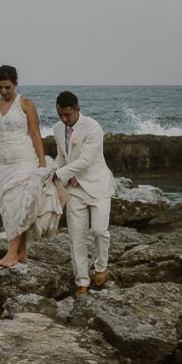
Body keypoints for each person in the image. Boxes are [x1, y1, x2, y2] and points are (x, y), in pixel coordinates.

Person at [0, 65, 62, 267]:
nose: (3, 91)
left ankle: (11, 253)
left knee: (21, 205)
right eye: (0, 87)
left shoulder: (26, 104)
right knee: (8, 207)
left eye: (7, 87)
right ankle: (22, 253)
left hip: (24, 160)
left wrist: (43, 165)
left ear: (16, 84)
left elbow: (36, 134)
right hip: (1, 164)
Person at [52, 90, 116, 297]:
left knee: (98, 230)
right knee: (76, 237)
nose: (64, 119)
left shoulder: (93, 127)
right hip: (74, 189)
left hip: (98, 186)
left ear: (77, 109)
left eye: (67, 115)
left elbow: (85, 161)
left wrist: (57, 175)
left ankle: (100, 267)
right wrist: (50, 172)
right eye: (60, 114)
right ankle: (81, 282)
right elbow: (63, 156)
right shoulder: (57, 129)